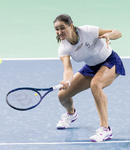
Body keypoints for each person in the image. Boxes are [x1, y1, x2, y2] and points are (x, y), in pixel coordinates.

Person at [53, 14, 125, 142]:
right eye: (56, 29)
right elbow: (68, 69)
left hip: (110, 61)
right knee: (62, 95)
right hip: (91, 67)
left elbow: (117, 32)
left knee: (95, 84)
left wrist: (109, 35)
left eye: (62, 28)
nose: (59, 32)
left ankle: (105, 129)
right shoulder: (63, 48)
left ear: (71, 25)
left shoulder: (86, 31)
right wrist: (66, 81)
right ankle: (71, 114)